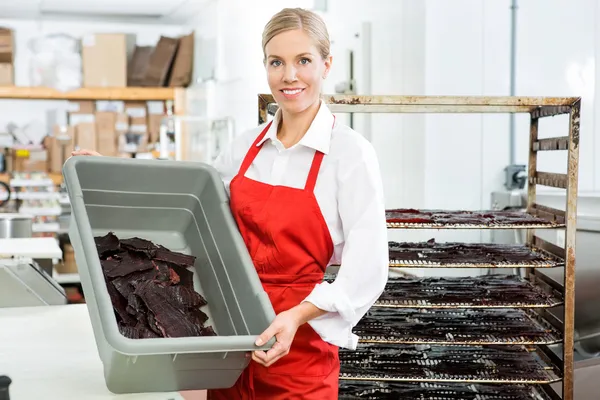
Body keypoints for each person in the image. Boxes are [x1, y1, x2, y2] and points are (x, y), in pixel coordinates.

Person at [73, 7, 388, 400]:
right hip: (231, 344)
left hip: (298, 351)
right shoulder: (246, 147)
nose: (289, 76)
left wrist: (295, 317)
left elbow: (367, 271)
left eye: (303, 60)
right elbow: (193, 198)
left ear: (326, 64)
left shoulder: (350, 154)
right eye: (277, 62)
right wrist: (111, 171)